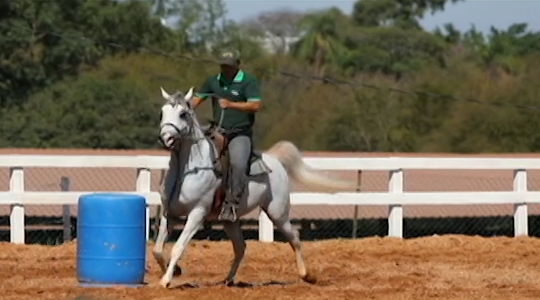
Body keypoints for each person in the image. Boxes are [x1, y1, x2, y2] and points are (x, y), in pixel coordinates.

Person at [189, 48, 263, 222]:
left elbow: (255, 105)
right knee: (199, 156)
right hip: (218, 131)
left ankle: (232, 205)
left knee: (238, 164)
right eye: (223, 66)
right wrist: (181, 109)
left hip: (239, 133)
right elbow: (197, 100)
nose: (226, 70)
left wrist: (231, 104)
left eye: (229, 66)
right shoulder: (213, 81)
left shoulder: (248, 81)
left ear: (238, 65)